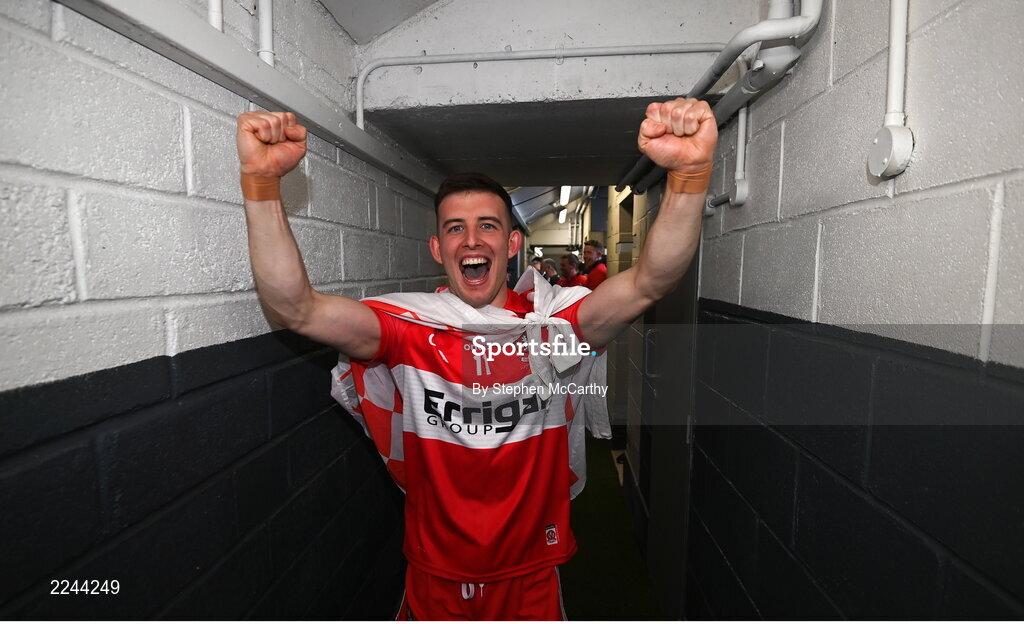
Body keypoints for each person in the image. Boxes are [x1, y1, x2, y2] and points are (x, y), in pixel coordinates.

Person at [234, 97, 716, 620]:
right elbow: (295, 309)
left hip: (529, 572)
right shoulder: (409, 329)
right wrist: (261, 185)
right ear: (438, 249)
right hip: (436, 575)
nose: (471, 239)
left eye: (487, 225)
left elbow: (653, 281)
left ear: (511, 244)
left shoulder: (554, 327)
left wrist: (689, 175)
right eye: (455, 228)